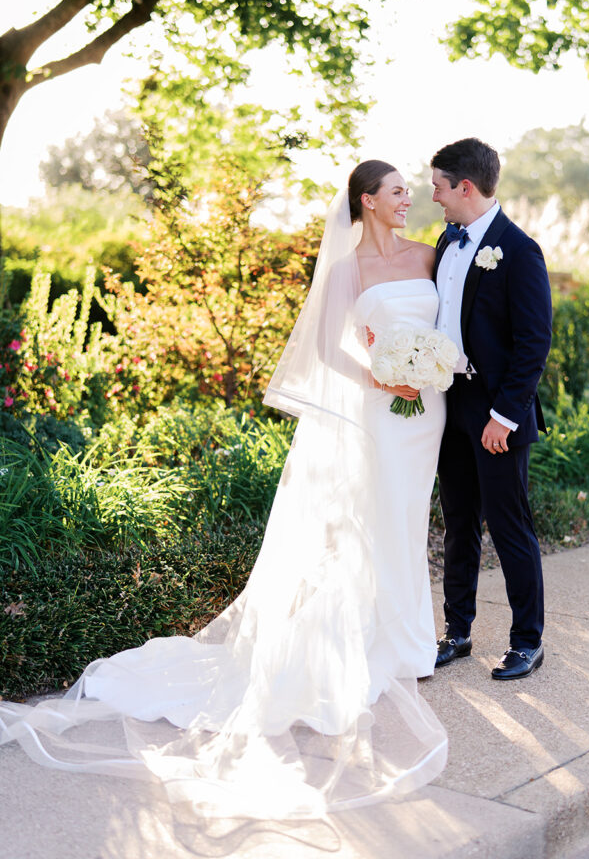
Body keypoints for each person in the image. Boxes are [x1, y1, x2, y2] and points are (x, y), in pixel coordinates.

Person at [0, 162, 449, 822]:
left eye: (411, 191)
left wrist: (428, 368)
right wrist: (382, 377)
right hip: (375, 409)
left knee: (410, 517)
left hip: (428, 412)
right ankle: (382, 644)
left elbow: (453, 323)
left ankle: (414, 639)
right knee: (372, 520)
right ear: (367, 201)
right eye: (398, 192)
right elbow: (326, 349)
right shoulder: (348, 267)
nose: (409, 199)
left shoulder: (430, 255)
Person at [430, 137, 552, 681]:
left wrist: (504, 417)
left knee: (509, 529)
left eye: (438, 187)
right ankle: (457, 631)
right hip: (450, 404)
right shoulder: (447, 241)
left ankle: (527, 641)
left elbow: (534, 343)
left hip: (498, 413)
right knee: (458, 523)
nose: (434, 197)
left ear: (466, 187)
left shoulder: (518, 250)